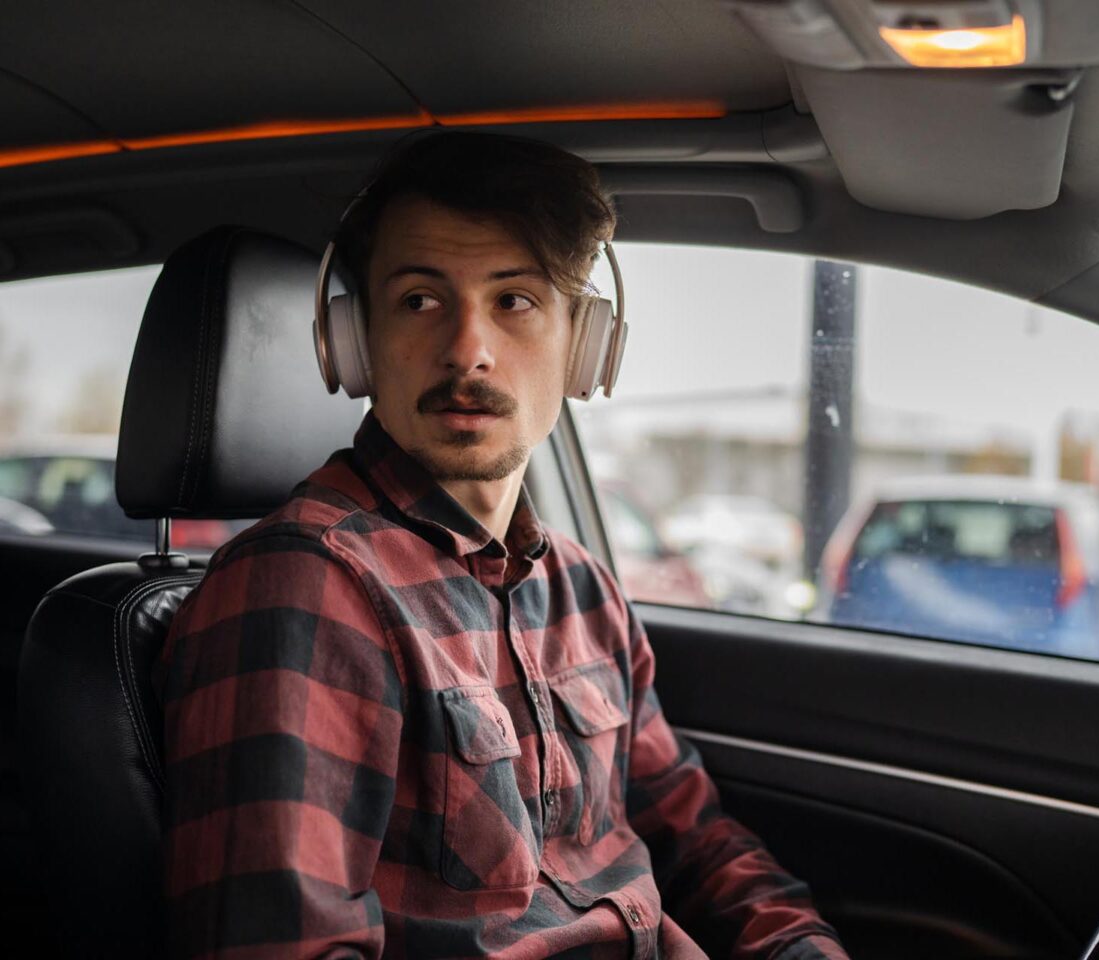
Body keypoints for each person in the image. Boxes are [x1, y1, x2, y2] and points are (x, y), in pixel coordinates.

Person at [158, 132, 848, 960]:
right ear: (355, 341)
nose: (468, 351)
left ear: (584, 346)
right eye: (420, 300)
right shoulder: (305, 587)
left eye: (515, 300)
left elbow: (696, 839)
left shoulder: (583, 590)